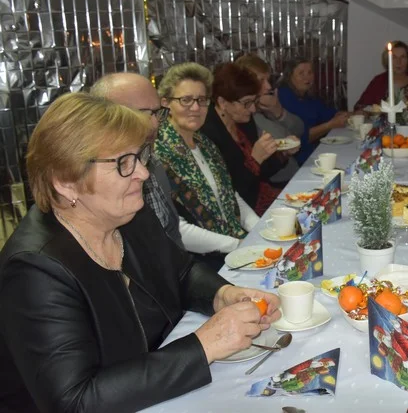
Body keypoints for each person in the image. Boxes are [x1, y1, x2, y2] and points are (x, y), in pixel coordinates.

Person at [0, 93, 281, 413]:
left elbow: (181, 271)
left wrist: (223, 294)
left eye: (140, 155)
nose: (143, 174)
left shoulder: (128, 214)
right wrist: (205, 345)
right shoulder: (35, 270)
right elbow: (74, 401)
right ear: (66, 181)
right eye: (123, 163)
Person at [156, 63, 260, 270]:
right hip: (198, 264)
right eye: (185, 100)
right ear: (166, 102)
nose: (195, 108)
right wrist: (238, 245)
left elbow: (231, 196)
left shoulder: (205, 144)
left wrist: (259, 230)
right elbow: (175, 228)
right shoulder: (158, 155)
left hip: (232, 248)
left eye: (201, 100)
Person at [89, 73, 184, 249]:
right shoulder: (95, 177)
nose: (154, 123)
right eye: (140, 114)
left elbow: (173, 239)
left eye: (156, 112)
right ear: (104, 116)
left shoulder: (152, 161)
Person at [202, 63, 286, 216]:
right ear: (222, 102)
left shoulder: (243, 122)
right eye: (246, 103)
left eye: (253, 101)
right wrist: (255, 160)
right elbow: (231, 194)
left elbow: (263, 173)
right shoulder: (208, 133)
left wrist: (282, 154)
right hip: (243, 211)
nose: (253, 109)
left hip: (262, 195)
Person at [235, 53, 304, 183]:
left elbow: (300, 129)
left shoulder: (266, 105)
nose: (268, 87)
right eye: (261, 81)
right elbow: (282, 141)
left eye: (268, 80)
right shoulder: (245, 116)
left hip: (293, 175)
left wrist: (278, 111)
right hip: (278, 182)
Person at [278, 59, 349, 164]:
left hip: (313, 151)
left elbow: (330, 114)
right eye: (301, 73)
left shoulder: (308, 97)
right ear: (289, 77)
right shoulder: (284, 96)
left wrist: (355, 114)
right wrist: (329, 125)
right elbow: (299, 138)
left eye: (310, 73)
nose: (307, 77)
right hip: (294, 159)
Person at [354, 41, 408, 119]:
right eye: (394, 57)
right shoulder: (378, 81)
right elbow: (360, 107)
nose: (398, 62)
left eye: (403, 57)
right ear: (387, 60)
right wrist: (368, 112)